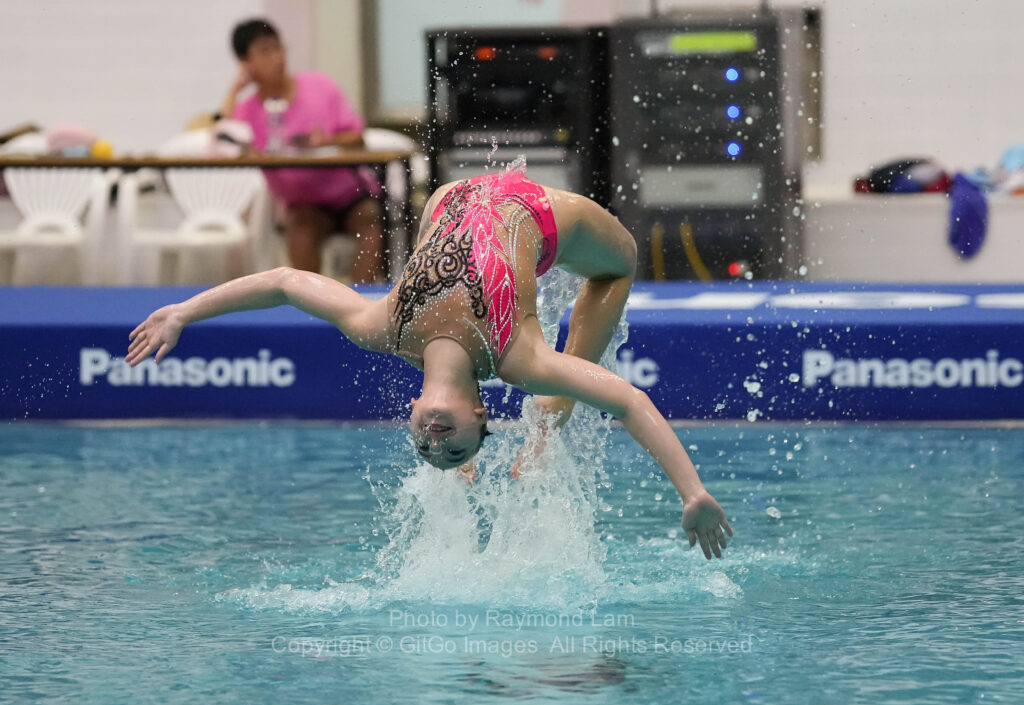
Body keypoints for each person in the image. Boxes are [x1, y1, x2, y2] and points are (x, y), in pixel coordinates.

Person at [126, 167, 733, 560]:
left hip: (452, 197)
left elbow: (285, 282)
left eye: (429, 448)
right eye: (455, 447)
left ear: (413, 408)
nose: (436, 441)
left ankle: (549, 425)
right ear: (480, 414)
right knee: (620, 263)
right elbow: (628, 400)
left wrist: (184, 311)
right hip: (533, 211)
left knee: (455, 240)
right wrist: (693, 492)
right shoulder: (516, 358)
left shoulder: (382, 328)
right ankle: (552, 418)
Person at [220, 18, 386, 283]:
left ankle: (360, 300)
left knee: (370, 218)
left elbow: (357, 137)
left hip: (349, 196)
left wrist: (327, 142)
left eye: (278, 48)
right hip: (304, 206)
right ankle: (313, 303)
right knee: (300, 229)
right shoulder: (248, 110)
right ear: (245, 62)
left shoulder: (320, 86)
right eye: (265, 51)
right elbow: (222, 141)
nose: (277, 58)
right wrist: (235, 89)